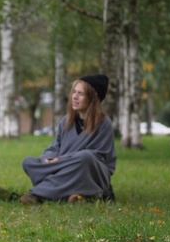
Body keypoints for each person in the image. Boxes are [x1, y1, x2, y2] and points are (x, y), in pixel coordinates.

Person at [20, 74, 116, 204]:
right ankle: (80, 195)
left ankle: (38, 194)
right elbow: (55, 147)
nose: (75, 97)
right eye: (74, 92)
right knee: (28, 162)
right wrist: (48, 158)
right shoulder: (65, 121)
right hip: (64, 167)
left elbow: (98, 156)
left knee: (85, 157)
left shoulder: (104, 123)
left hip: (89, 171)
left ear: (93, 98)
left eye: (80, 94)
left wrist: (62, 159)